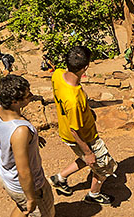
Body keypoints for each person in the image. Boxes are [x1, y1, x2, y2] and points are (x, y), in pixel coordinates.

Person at [0, 74, 87, 217]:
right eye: (27, 96)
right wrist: (32, 196)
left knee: (22, 208)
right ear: (16, 101)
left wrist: (32, 139)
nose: (31, 96)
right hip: (30, 185)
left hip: (8, 178)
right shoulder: (20, 132)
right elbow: (24, 171)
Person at [49, 45, 118, 205]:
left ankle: (60, 178)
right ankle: (94, 194)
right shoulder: (73, 100)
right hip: (84, 136)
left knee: (84, 157)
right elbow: (75, 130)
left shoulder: (58, 74)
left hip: (64, 131)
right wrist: (88, 152)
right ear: (85, 67)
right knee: (104, 166)